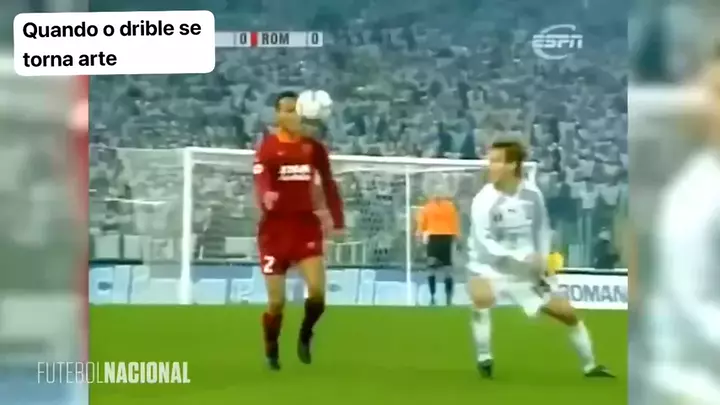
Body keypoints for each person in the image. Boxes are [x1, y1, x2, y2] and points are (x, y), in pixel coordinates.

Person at [466, 140, 614, 379]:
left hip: (526, 273)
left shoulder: (532, 195)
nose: (489, 165)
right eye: (490, 160)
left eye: (496, 161)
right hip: (491, 266)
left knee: (567, 314)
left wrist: (542, 259)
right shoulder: (483, 200)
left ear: (512, 165)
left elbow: (542, 230)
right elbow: (484, 241)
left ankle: (591, 366)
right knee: (481, 297)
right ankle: (485, 358)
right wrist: (522, 256)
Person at [253, 91, 344, 371]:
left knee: (317, 292)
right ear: (278, 115)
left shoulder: (313, 148)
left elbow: (328, 183)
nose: (294, 115)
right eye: (288, 110)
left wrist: (338, 220)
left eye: (297, 110)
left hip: (305, 227)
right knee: (276, 302)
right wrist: (266, 195)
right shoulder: (268, 148)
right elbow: (261, 177)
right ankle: (271, 345)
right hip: (274, 231)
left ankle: (306, 333)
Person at [416, 190, 460, 305]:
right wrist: (420, 233)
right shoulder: (428, 208)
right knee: (432, 268)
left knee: (446, 269)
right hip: (434, 238)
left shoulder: (449, 207)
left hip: (445, 238)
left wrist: (456, 236)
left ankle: (448, 298)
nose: (437, 195)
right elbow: (422, 222)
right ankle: (433, 296)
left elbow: (454, 222)